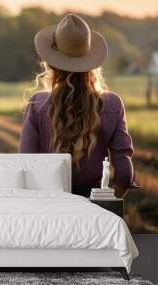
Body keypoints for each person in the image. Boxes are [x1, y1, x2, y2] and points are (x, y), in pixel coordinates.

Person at [19, 14, 137, 198]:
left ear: (51, 65)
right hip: (94, 203)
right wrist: (104, 206)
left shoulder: (37, 104)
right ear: (92, 62)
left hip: (50, 203)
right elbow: (124, 175)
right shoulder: (112, 104)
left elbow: (26, 166)